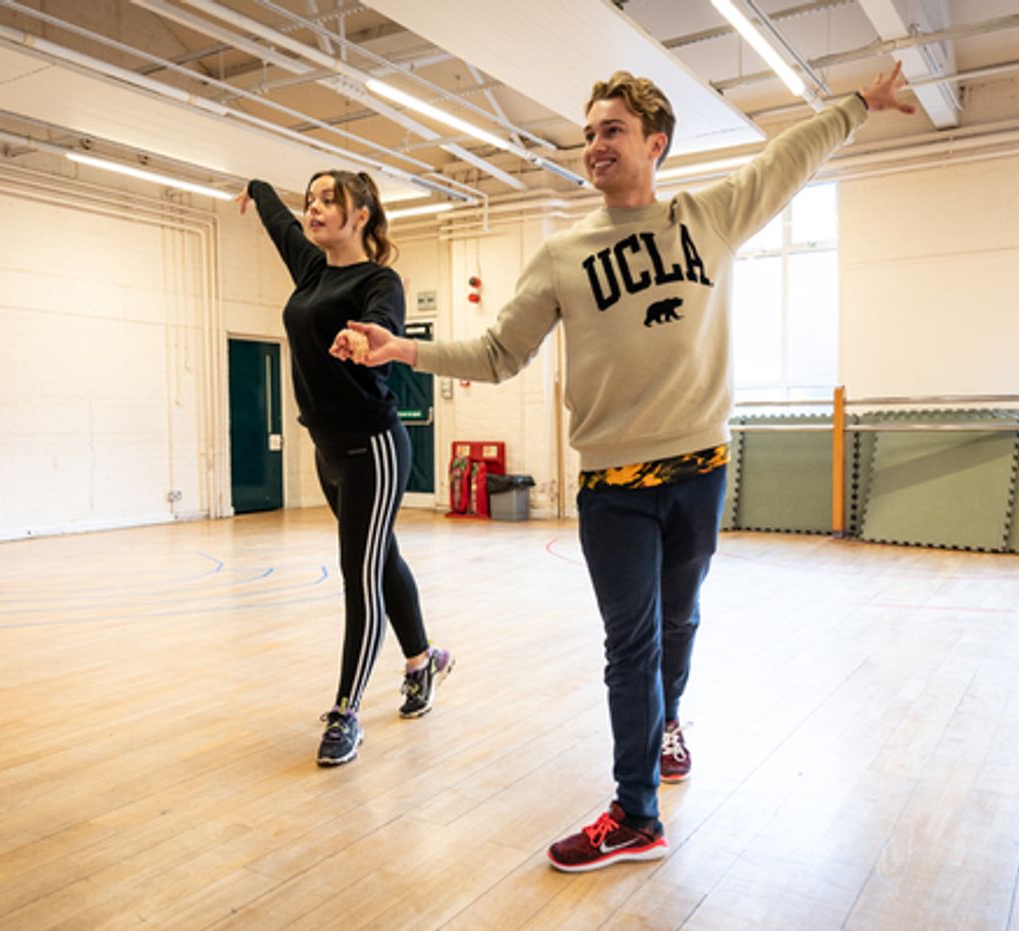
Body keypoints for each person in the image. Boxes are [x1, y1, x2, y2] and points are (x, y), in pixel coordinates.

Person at [334, 65, 915, 867]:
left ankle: (668, 719)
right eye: (588, 135)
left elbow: (787, 158)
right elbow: (500, 352)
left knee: (680, 622)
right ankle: (636, 811)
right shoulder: (564, 254)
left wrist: (857, 104)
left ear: (655, 143)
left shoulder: (709, 216)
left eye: (611, 130)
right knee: (629, 644)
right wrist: (405, 349)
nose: (594, 145)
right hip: (613, 489)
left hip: (701, 471)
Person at [236, 170, 454, 767]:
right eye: (311, 199)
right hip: (326, 447)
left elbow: (386, 322)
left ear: (361, 216)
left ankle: (346, 710)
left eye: (330, 200)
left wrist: (366, 342)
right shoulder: (310, 270)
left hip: (373, 447)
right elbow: (278, 220)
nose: (314, 208)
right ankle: (423, 660)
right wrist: (258, 188)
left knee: (359, 573)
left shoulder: (377, 279)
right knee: (380, 558)